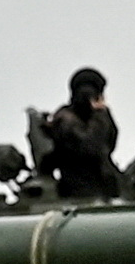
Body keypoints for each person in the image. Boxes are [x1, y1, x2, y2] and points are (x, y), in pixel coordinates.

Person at [32, 67, 123, 201]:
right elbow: (90, 147)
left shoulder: (96, 118)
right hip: (79, 190)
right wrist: (100, 114)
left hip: (105, 189)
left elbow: (110, 143)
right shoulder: (65, 119)